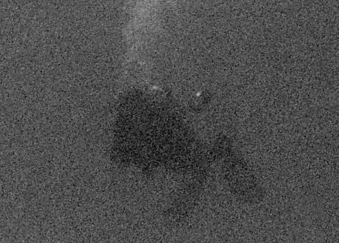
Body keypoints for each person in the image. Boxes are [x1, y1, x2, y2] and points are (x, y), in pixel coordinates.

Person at [110, 86, 265, 222]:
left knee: (201, 163)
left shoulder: (144, 120)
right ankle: (177, 212)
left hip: (168, 145)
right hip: (165, 146)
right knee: (201, 163)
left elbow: (181, 114)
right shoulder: (130, 127)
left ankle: (178, 211)